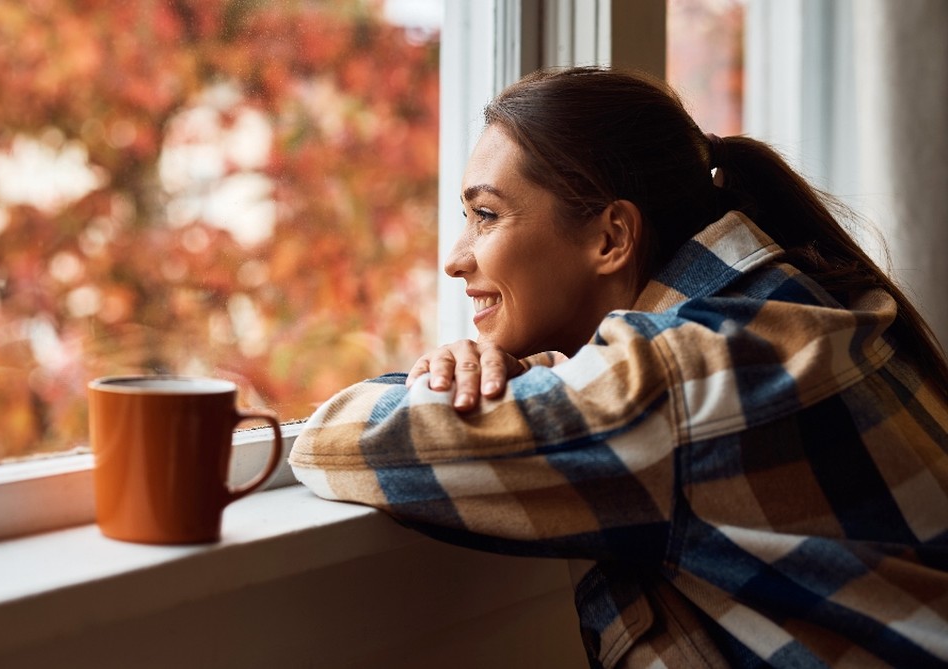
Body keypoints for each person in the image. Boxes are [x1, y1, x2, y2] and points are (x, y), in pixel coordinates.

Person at [288, 67, 948, 668]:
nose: (455, 258)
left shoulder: (678, 383)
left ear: (610, 238)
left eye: (485, 215)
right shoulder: (794, 306)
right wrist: (521, 370)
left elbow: (330, 441)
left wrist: (439, 384)